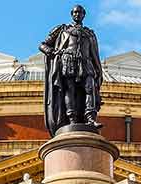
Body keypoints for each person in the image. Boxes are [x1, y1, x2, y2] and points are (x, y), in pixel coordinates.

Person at [40, 4, 104, 135]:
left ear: (83, 15)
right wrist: (52, 52)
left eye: (79, 12)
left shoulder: (90, 34)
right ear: (72, 14)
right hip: (68, 61)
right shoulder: (62, 30)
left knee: (89, 88)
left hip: (86, 62)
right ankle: (72, 119)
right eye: (75, 12)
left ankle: (90, 119)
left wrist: (99, 71)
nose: (77, 15)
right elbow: (43, 45)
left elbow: (95, 54)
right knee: (70, 90)